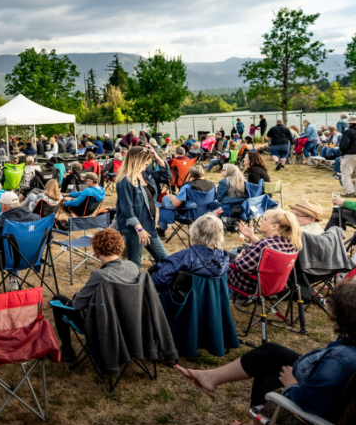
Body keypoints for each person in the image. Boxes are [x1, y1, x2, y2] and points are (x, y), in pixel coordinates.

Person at [176, 282, 356, 425]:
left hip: (316, 422)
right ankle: (211, 378)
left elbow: (309, 405)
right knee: (271, 351)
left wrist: (291, 384)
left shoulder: (341, 360)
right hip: (326, 391)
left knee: (269, 375)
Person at [51, 228, 139, 362]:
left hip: (103, 325)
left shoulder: (100, 275)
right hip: (131, 322)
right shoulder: (133, 266)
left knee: (58, 299)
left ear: (97, 251)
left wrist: (77, 296)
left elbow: (77, 305)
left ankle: (67, 350)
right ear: (120, 247)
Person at [115, 145, 171, 266]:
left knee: (165, 260)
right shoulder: (125, 181)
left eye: (149, 160)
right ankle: (134, 284)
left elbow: (166, 175)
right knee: (135, 263)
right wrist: (139, 229)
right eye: (145, 160)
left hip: (149, 225)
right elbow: (127, 209)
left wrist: (157, 157)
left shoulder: (146, 175)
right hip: (134, 228)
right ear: (137, 160)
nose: (148, 163)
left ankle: (155, 282)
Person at [228, 208, 302, 295]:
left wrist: (239, 257)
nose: (261, 221)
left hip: (249, 286)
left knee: (221, 255)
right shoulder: (290, 242)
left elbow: (242, 267)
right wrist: (251, 236)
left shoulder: (265, 244)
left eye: (265, 219)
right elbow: (267, 250)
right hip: (274, 286)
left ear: (274, 226)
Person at [151, 213, 229, 292]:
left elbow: (157, 282)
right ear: (219, 235)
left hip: (183, 302)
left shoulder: (186, 257)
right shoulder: (224, 257)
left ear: (195, 231)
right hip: (213, 302)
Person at [0, 190, 40, 263]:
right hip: (32, 258)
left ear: (3, 206)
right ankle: (14, 274)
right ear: (19, 203)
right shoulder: (36, 219)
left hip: (9, 261)